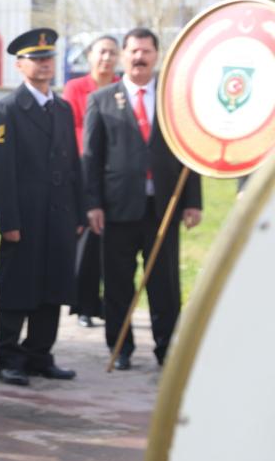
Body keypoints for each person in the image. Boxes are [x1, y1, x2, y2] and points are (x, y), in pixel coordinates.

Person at [83, 28, 203, 370]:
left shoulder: (173, 98)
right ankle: (120, 348)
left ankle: (167, 349)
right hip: (117, 207)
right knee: (119, 282)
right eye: (134, 51)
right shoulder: (102, 99)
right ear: (124, 55)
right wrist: (92, 203)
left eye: (146, 51)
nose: (139, 57)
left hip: (162, 207)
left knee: (165, 283)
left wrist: (193, 201)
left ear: (156, 55)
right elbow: (91, 157)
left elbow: (189, 153)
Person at [0, 29, 82, 387]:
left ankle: (40, 353)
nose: (44, 65)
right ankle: (8, 357)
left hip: (59, 213)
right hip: (24, 217)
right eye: (36, 58)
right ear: (19, 64)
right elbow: (0, 170)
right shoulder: (6, 109)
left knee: (53, 286)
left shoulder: (62, 107)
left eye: (48, 58)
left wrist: (80, 211)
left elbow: (74, 162)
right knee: (17, 288)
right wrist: (8, 219)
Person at [63, 35, 118, 328]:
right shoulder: (76, 88)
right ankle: (84, 304)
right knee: (88, 242)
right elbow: (70, 128)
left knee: (114, 244)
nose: (106, 58)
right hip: (85, 171)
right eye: (101, 52)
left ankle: (110, 302)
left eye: (112, 53)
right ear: (91, 56)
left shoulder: (122, 88)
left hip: (116, 175)